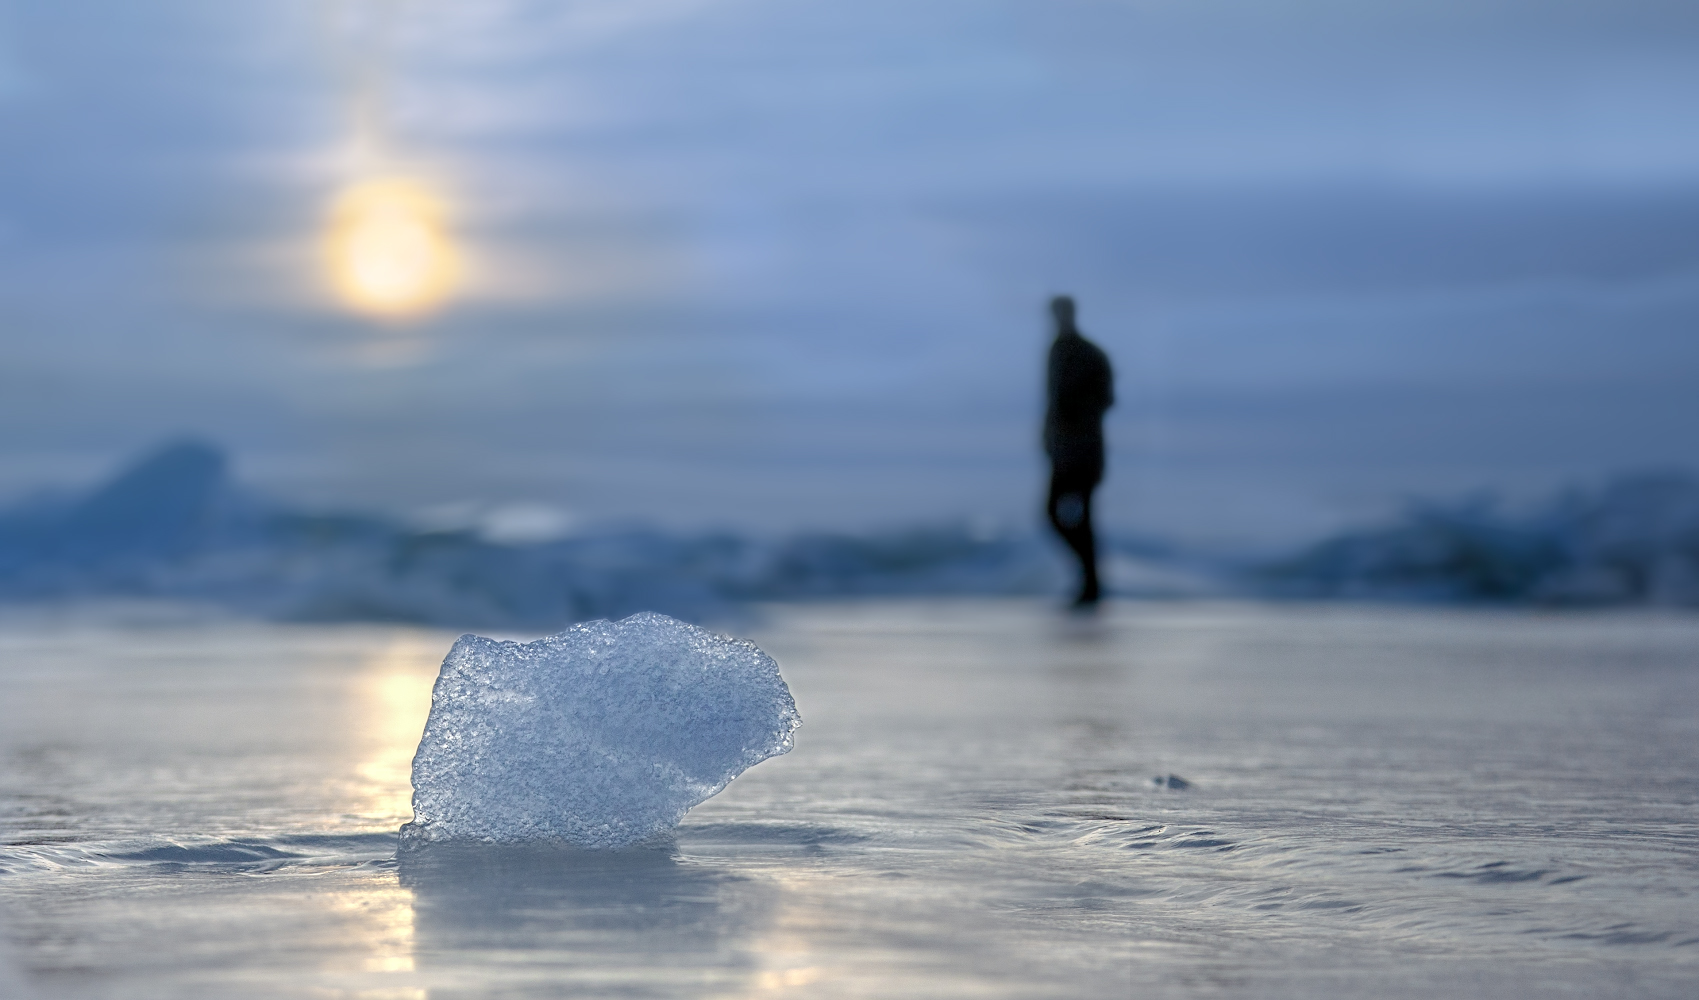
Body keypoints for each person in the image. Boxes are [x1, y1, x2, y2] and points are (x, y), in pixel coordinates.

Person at [1043, 295, 1114, 605]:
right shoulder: (1056, 351)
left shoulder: (1089, 353)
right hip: (1063, 451)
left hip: (1084, 452)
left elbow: (1105, 398)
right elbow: (1053, 404)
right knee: (1055, 515)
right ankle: (1089, 579)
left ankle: (1091, 584)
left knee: (1080, 517)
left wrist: (1078, 418)